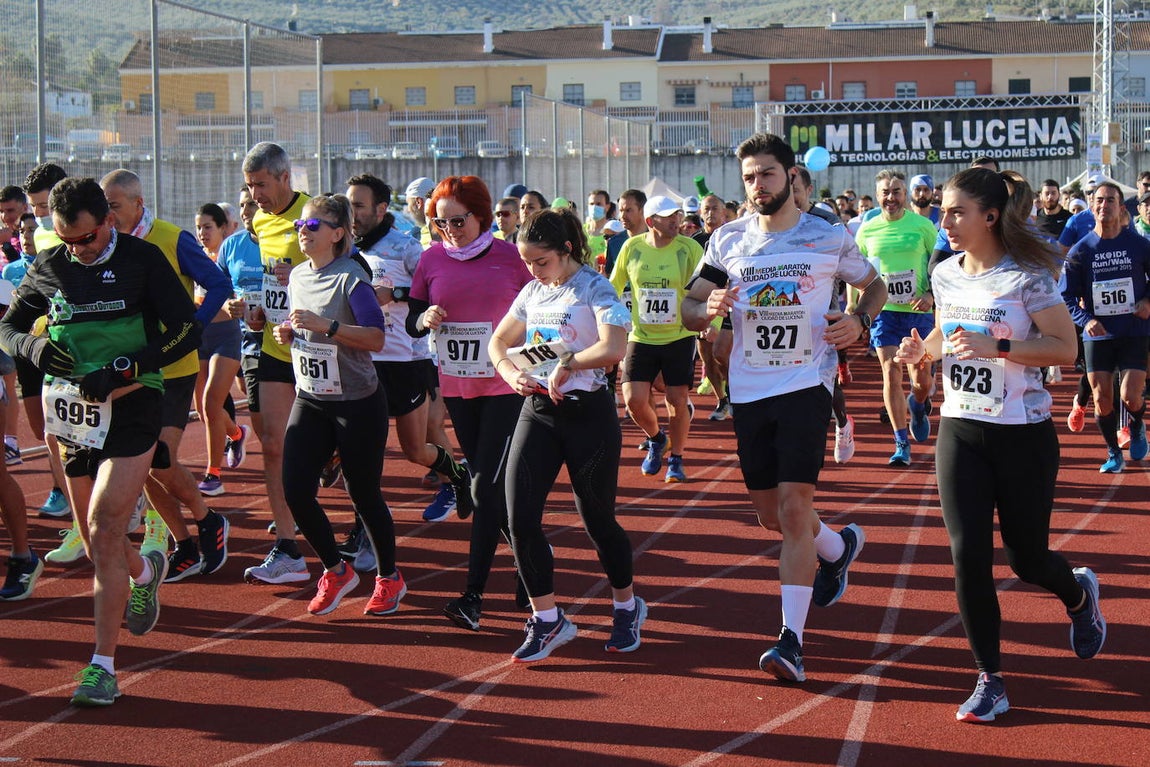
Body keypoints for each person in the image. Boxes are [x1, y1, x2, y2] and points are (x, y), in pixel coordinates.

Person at [893, 167, 1105, 722]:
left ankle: (1078, 594)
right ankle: (990, 678)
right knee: (968, 558)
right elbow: (948, 333)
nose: (945, 221)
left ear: (990, 216)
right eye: (942, 210)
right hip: (960, 429)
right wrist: (926, 353)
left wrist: (1001, 345)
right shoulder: (943, 274)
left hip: (1024, 434)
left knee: (1027, 557)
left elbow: (1064, 349)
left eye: (956, 211)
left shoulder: (1028, 276)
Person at [682, 132, 886, 683]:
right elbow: (688, 308)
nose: (757, 186)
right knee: (771, 515)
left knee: (794, 509)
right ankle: (837, 547)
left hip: (805, 385)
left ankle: (790, 642)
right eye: (749, 177)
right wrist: (707, 307)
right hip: (749, 391)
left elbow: (875, 286)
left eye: (767, 174)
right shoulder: (727, 241)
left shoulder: (827, 236)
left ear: (791, 176)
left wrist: (858, 321)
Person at [0, 176, 202, 705]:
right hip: (71, 413)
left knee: (104, 523)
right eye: (66, 240)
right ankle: (144, 570)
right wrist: (34, 349)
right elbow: (8, 328)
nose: (77, 250)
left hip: (132, 400)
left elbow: (185, 329)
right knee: (97, 546)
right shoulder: (52, 265)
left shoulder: (142, 259)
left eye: (86, 239)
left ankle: (101, 667)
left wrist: (127, 366)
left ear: (108, 222)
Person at [490, 207, 642, 662]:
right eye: (527, 263)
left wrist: (570, 363)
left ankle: (627, 606)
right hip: (537, 411)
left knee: (597, 520)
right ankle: (549, 619)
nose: (533, 271)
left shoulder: (595, 287)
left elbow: (613, 348)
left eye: (541, 261)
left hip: (587, 415)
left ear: (567, 250)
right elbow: (498, 341)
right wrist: (510, 374)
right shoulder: (534, 291)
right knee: (517, 518)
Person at [407, 175, 533, 631]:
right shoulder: (431, 259)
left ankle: (472, 596)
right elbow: (410, 323)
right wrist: (424, 317)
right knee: (492, 488)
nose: (450, 231)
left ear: (481, 215)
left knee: (481, 488)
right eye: (441, 224)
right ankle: (529, 558)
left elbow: (543, 307)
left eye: (458, 221)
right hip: (459, 388)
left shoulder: (511, 257)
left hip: (505, 387)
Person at [269, 194, 403, 616]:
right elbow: (299, 326)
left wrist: (326, 326)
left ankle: (389, 578)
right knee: (295, 489)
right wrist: (289, 334)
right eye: (298, 227)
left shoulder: (351, 278)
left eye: (311, 226)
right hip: (311, 396)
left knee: (363, 495)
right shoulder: (297, 278)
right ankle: (336, 570)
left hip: (357, 401)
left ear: (337, 233)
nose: (301, 233)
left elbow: (375, 337)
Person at [100, 169, 231, 583]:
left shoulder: (172, 238)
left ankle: (208, 520)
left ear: (138, 204)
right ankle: (186, 542)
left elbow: (218, 283)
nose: (106, 214)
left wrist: (194, 327)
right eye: (103, 207)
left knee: (159, 459)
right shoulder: (106, 245)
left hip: (172, 368)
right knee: (141, 465)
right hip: (133, 369)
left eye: (113, 206)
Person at [344, 173, 471, 533]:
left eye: (358, 205)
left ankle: (459, 475)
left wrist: (395, 295)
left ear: (381, 209)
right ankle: (362, 531)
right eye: (348, 203)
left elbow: (433, 295)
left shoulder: (405, 248)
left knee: (416, 449)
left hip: (405, 359)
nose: (351, 212)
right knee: (361, 450)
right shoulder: (347, 248)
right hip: (362, 359)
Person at [238, 142, 311, 585]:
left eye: (261, 185)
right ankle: (287, 547)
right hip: (273, 347)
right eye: (249, 187)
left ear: (284, 178)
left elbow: (335, 274)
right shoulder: (260, 221)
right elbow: (273, 281)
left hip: (318, 351)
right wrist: (261, 308)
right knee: (272, 444)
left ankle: (362, 529)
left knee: (328, 448)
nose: (255, 196)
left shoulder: (315, 215)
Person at [609, 194, 703, 482]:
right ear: (651, 222)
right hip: (642, 335)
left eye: (677, 214)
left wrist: (709, 319)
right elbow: (614, 286)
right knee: (634, 400)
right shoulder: (632, 247)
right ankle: (656, 438)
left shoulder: (689, 249)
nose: (676, 220)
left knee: (677, 399)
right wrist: (608, 319)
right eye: (667, 216)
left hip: (679, 334)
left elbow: (706, 287)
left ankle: (676, 458)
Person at [1061, 180, 1150, 472]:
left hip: (1134, 330)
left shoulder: (1138, 244)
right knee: (1101, 397)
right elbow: (1067, 295)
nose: (1103, 205)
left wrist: (1148, 302)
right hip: (1099, 334)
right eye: (1098, 200)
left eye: (1110, 200)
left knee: (1130, 395)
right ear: (1092, 206)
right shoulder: (1080, 251)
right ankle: (1113, 452)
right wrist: (1086, 321)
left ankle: (1136, 425)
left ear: (1120, 207)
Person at [854, 168, 940, 466]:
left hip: (918, 313)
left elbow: (939, 266)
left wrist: (930, 295)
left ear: (906, 195)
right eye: (886, 193)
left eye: (897, 192)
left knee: (922, 380)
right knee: (890, 369)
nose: (891, 198)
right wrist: (859, 312)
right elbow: (859, 274)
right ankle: (901, 442)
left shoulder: (923, 226)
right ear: (878, 196)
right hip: (884, 312)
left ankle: (917, 404)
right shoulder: (867, 230)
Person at [191, 202, 245, 497]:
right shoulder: (195, 258)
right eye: (198, 227)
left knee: (213, 402)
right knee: (203, 410)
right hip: (201, 336)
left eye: (207, 227)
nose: (201, 233)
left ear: (223, 228)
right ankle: (236, 434)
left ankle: (213, 473)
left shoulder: (231, 258)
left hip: (226, 335)